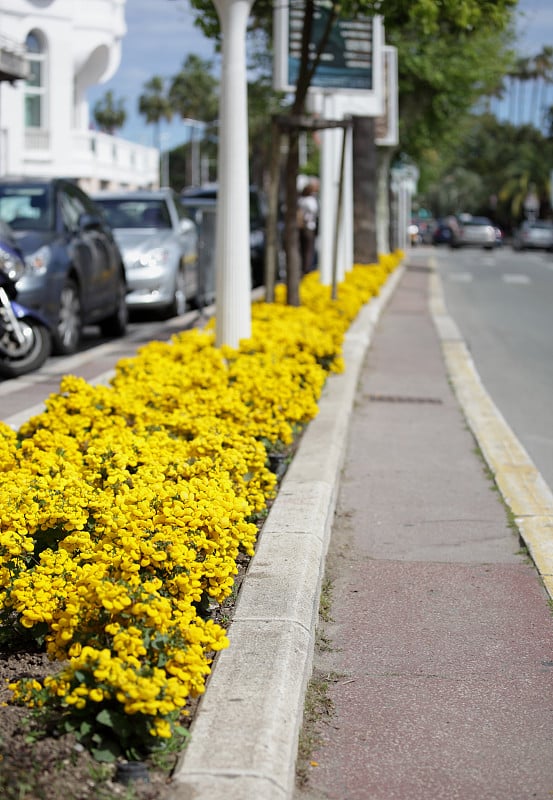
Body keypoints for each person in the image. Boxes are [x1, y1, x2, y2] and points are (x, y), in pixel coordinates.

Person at [297, 182, 319, 274]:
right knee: (309, 250)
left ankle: (303, 268)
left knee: (302, 249)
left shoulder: (301, 200)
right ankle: (307, 269)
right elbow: (316, 211)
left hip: (301, 228)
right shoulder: (310, 201)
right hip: (309, 227)